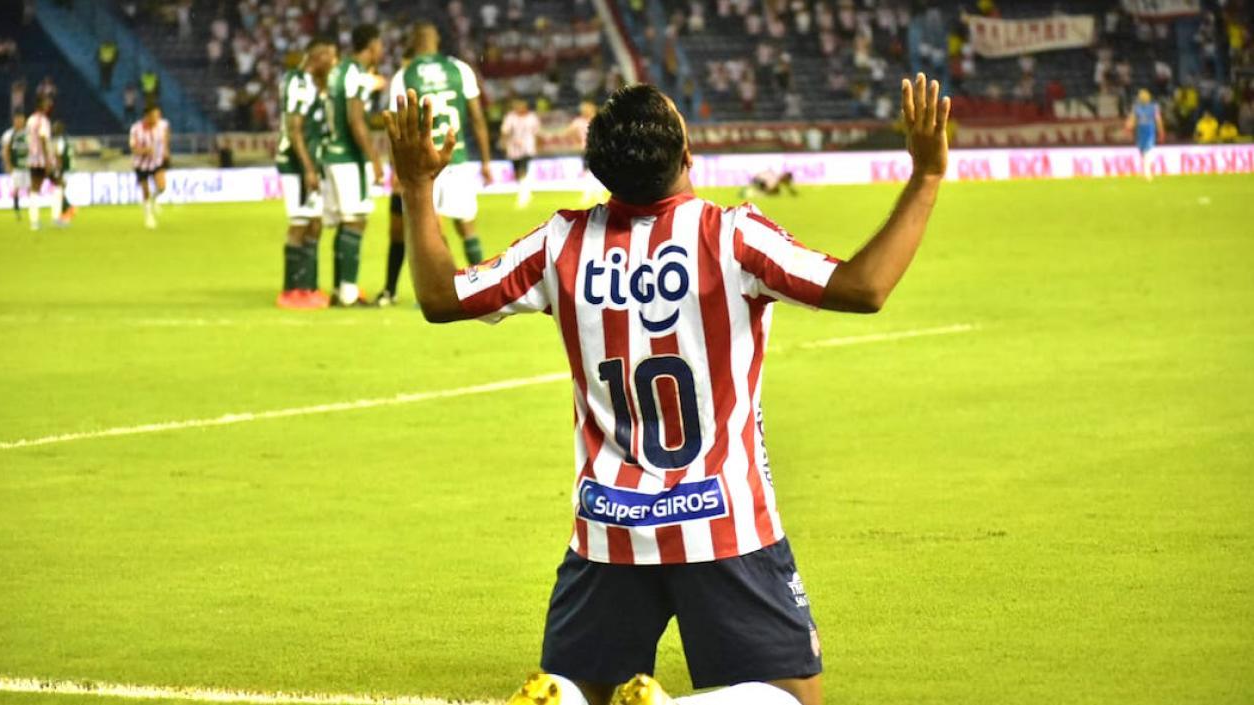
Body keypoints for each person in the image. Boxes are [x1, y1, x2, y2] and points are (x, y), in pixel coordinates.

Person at [385, 73, 950, 705]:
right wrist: (926, 176)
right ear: (686, 155)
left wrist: (415, 183)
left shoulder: (561, 243)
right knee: (793, 700)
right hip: (724, 520)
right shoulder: (731, 236)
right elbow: (864, 287)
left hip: (608, 526)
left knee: (577, 693)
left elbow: (441, 297)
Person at [381, 21, 494, 307]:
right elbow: (477, 119)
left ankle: (443, 287)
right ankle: (485, 289)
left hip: (424, 162)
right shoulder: (460, 69)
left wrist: (398, 169)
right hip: (456, 155)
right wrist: (486, 160)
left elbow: (396, 127)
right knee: (467, 225)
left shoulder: (404, 74)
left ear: (415, 42)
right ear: (437, 41)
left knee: (432, 227)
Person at [322, 22, 386, 307]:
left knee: (345, 223)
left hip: (332, 155)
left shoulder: (338, 70)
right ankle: (348, 292)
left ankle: (340, 288)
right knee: (355, 222)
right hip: (349, 158)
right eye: (380, 45)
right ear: (372, 46)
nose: (381, 50)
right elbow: (355, 120)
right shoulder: (355, 74)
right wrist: (374, 158)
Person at [275, 35, 337, 310]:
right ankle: (291, 290)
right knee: (300, 223)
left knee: (314, 222)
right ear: (318, 56)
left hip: (313, 162)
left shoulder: (313, 84)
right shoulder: (298, 82)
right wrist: (308, 168)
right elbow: (295, 129)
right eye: (331, 57)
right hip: (297, 163)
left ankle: (308, 287)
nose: (334, 63)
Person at [130, 104, 171, 229]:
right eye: (154, 115)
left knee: (162, 187)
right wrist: (145, 150)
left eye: (158, 115)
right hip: (141, 165)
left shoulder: (161, 125)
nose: (157, 118)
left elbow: (165, 136)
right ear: (147, 116)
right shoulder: (136, 129)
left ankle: (154, 200)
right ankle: (148, 217)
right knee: (145, 190)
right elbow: (133, 148)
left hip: (156, 162)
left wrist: (165, 150)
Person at [24, 97, 61, 231]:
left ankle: (34, 222)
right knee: (58, 184)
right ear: (41, 106)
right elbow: (44, 139)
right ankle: (56, 218)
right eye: (47, 104)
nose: (50, 106)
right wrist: (48, 161)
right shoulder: (43, 120)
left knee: (34, 188)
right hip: (42, 159)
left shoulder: (30, 120)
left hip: (32, 158)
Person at [501, 98, 541, 208]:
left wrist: (537, 146)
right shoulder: (510, 117)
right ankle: (525, 191)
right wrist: (504, 144)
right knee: (517, 172)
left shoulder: (532, 117)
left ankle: (523, 195)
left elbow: (536, 133)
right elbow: (505, 131)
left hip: (527, 148)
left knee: (524, 170)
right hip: (513, 149)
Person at [567, 99, 607, 205]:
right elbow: (570, 132)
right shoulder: (578, 121)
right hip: (585, 149)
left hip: (597, 148)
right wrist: (576, 142)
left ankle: (599, 194)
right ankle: (588, 193)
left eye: (587, 108)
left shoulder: (598, 119)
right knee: (586, 171)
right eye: (584, 109)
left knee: (598, 171)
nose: (585, 110)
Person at [1125, 88, 1164, 181]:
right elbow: (1133, 118)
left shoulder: (1154, 106)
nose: (1141, 98)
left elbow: (1158, 119)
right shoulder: (1136, 107)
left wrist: (1161, 131)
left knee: (1148, 149)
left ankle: (1147, 172)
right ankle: (1145, 171)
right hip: (1140, 129)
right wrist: (1128, 127)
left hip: (1150, 129)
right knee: (1142, 150)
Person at [0, 112, 28, 220]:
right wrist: (8, 165)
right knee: (16, 188)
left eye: (22, 120)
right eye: (18, 120)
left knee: (31, 189)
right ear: (14, 121)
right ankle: (17, 210)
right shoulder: (9, 134)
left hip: (27, 166)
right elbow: (5, 151)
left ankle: (32, 210)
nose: (20, 122)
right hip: (16, 167)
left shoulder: (28, 133)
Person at [51, 119, 76, 224]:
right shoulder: (67, 139)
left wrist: (59, 171)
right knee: (60, 192)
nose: (53, 129)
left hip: (64, 169)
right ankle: (64, 215)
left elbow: (59, 157)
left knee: (59, 192)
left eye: (55, 127)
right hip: (69, 168)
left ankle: (67, 212)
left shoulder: (59, 141)